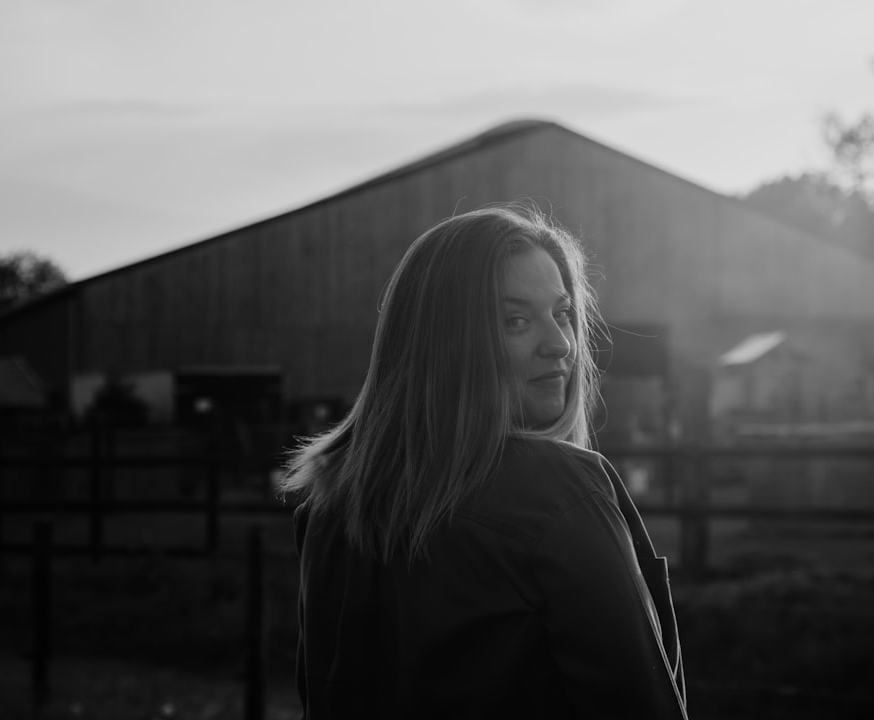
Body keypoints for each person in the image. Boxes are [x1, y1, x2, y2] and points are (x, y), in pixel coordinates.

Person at [281, 202, 688, 719]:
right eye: (516, 320)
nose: (561, 344)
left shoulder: (329, 508)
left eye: (562, 313)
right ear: (445, 343)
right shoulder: (557, 491)